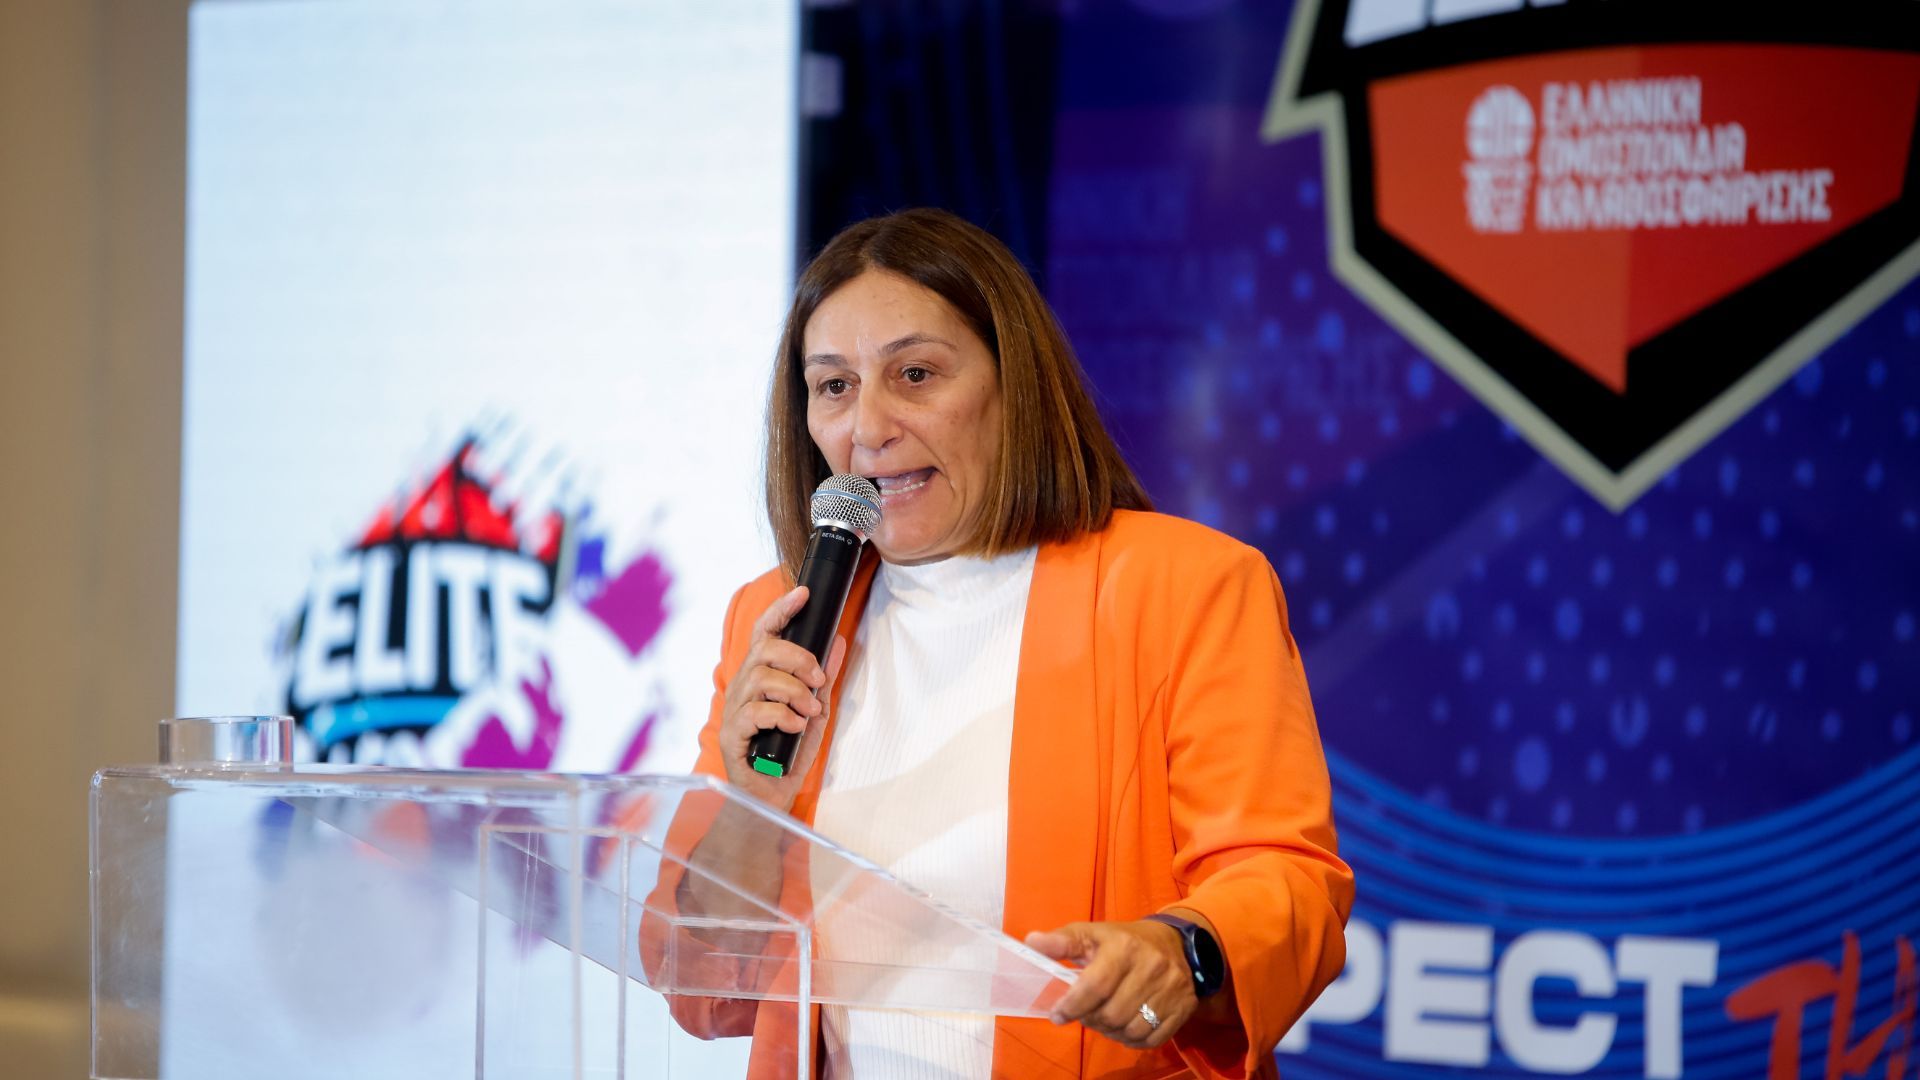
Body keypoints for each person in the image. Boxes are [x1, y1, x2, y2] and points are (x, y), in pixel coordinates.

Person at [676, 207, 1351, 1078]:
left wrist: (1179, 948)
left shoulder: (1184, 587)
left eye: (915, 374)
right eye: (834, 385)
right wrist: (751, 802)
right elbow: (704, 983)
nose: (867, 428)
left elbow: (1286, 882)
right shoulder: (773, 614)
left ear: (1014, 384)